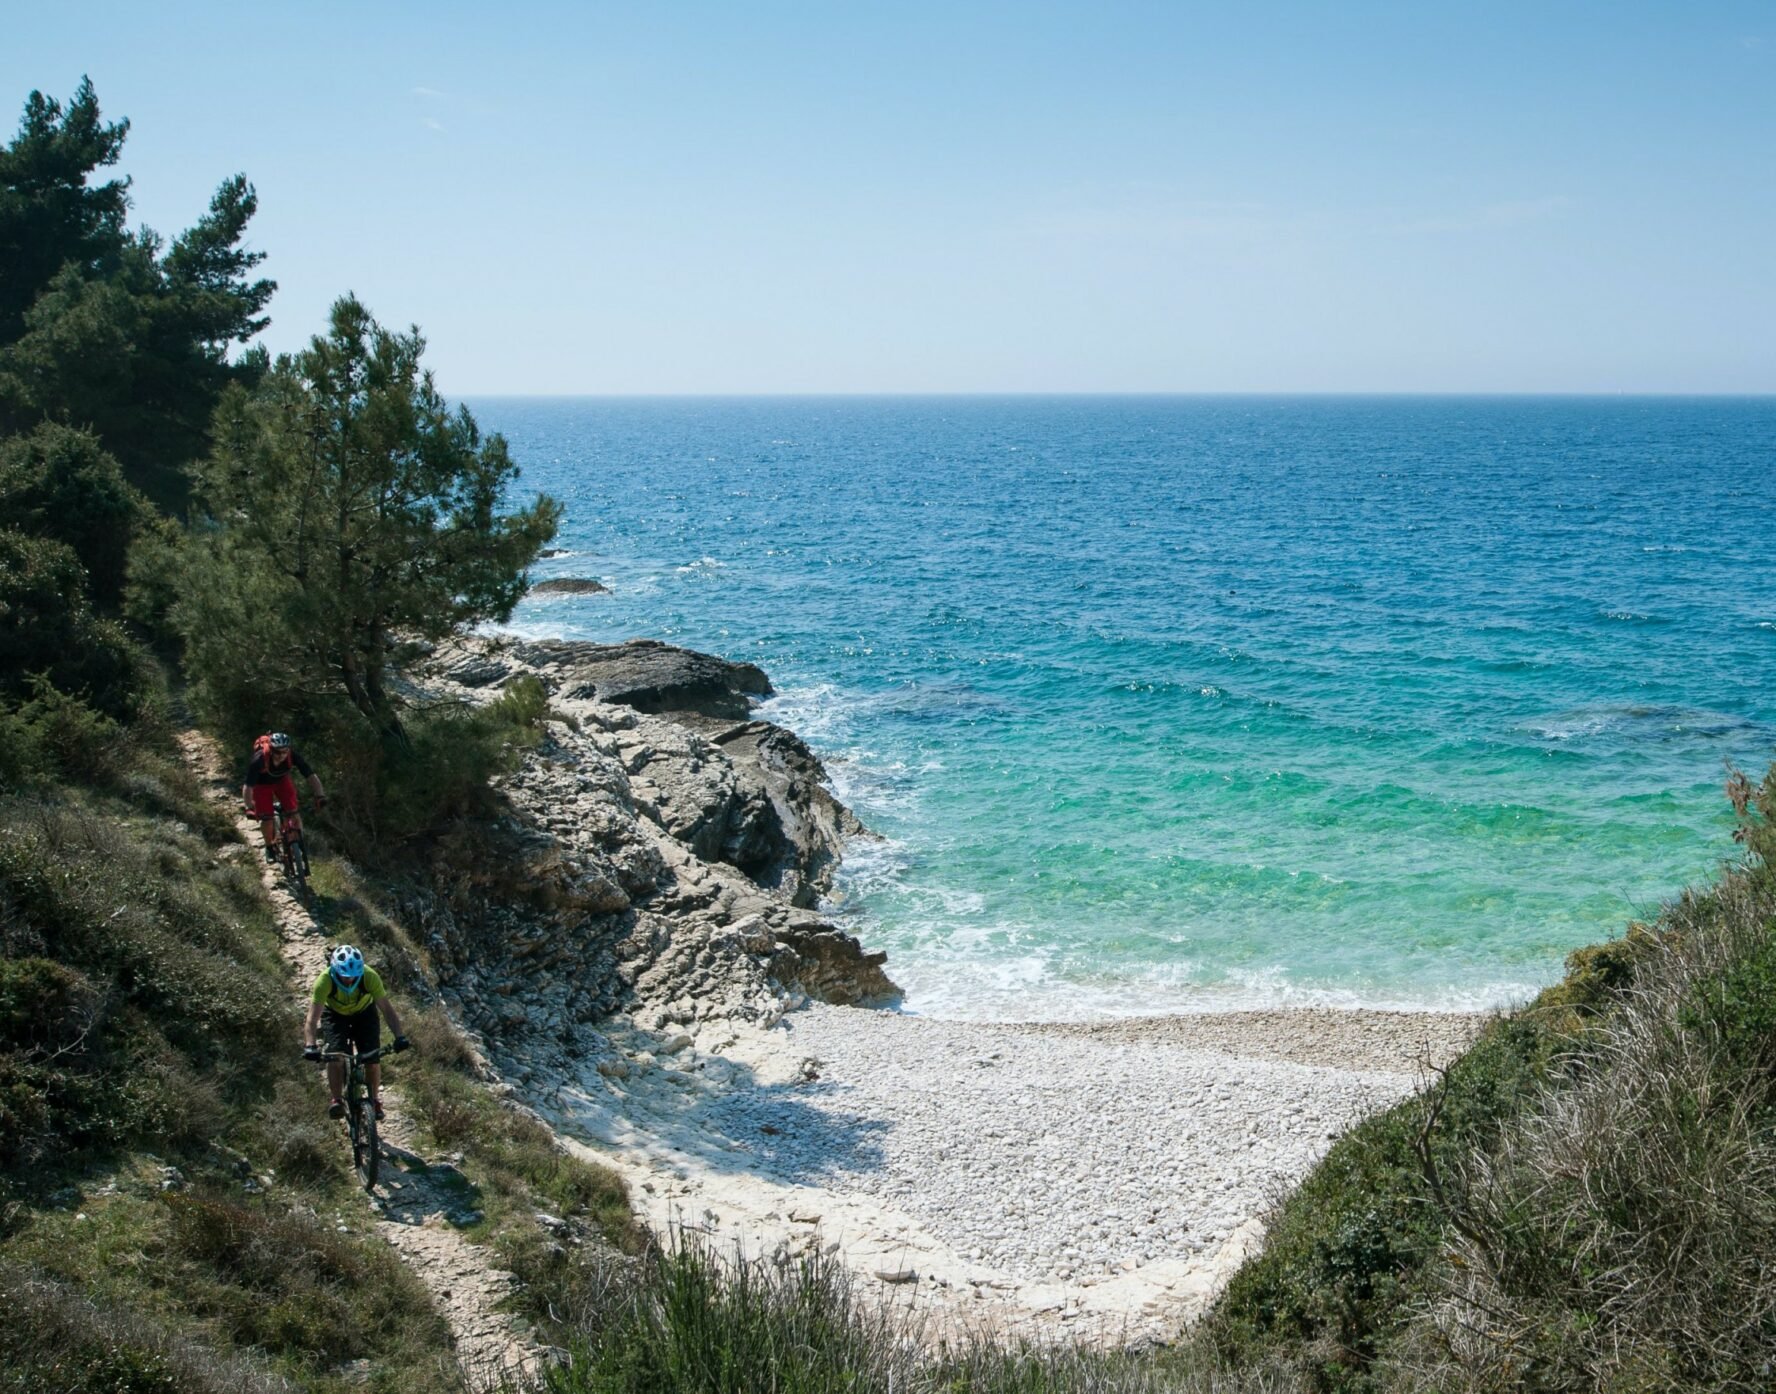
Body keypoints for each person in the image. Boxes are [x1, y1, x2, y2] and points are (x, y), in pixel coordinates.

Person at [302, 944, 410, 1119]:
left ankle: (374, 1100)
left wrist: (400, 1036)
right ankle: (337, 1100)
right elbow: (311, 1019)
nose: (350, 980)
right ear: (335, 970)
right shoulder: (324, 981)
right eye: (345, 977)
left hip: (364, 1013)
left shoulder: (369, 976)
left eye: (354, 976)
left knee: (372, 1059)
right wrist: (310, 1045)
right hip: (335, 1015)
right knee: (335, 1057)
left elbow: (387, 1011)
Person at [242, 731, 327, 863]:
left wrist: (320, 795)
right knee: (267, 819)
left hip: (282, 781)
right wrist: (249, 807)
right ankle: (269, 846)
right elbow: (248, 786)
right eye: (277, 752)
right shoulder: (259, 759)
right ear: (270, 749)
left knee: (294, 812)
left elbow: (310, 775)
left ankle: (298, 842)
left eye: (284, 752)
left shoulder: (292, 756)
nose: (281, 756)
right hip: (261, 785)